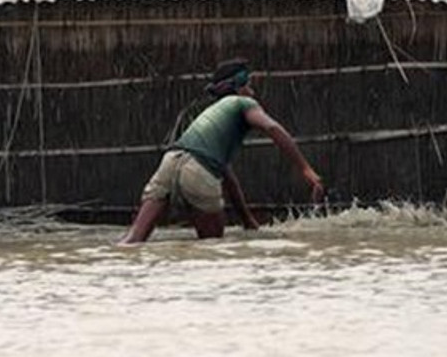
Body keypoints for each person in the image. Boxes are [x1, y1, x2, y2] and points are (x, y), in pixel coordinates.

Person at [119, 58, 325, 244]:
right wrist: (306, 170)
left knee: (133, 241)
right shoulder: (244, 103)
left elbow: (227, 175)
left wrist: (247, 221)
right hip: (199, 171)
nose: (252, 91)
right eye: (249, 85)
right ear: (238, 86)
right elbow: (272, 127)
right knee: (212, 248)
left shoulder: (211, 116)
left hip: (170, 161)